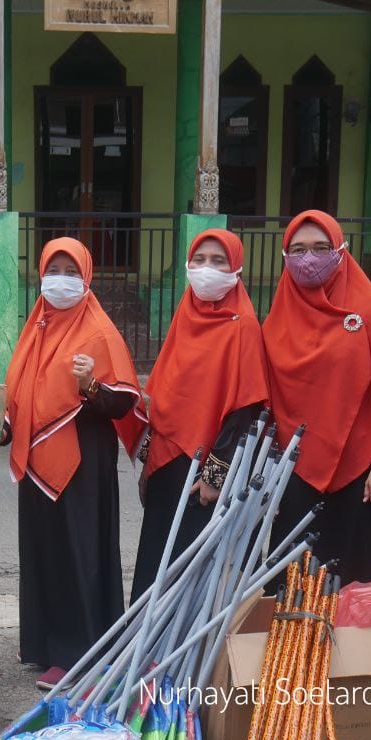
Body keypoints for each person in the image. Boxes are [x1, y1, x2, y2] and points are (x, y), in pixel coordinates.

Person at [1, 237, 145, 676]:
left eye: (70, 271)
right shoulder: (36, 328)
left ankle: (79, 652)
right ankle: (44, 646)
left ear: (86, 278)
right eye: (52, 270)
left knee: (80, 553)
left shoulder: (98, 331)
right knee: (44, 551)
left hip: (84, 461)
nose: (60, 280)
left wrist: (90, 386)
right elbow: (21, 395)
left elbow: (123, 402)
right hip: (37, 461)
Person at [261, 210, 371, 586]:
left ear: (341, 251)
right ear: (285, 257)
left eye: (321, 247)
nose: (309, 259)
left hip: (365, 472)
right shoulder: (276, 320)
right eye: (298, 250)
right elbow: (266, 402)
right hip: (297, 473)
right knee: (297, 584)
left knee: (361, 584)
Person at [133, 228, 267, 602]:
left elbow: (245, 408)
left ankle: (181, 654)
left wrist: (215, 476)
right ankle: (146, 652)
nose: (206, 269)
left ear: (236, 268)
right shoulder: (185, 315)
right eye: (199, 260)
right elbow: (165, 396)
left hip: (205, 470)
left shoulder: (243, 327)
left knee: (191, 564)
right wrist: (148, 462)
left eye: (218, 261)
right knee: (157, 556)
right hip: (168, 461)